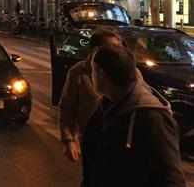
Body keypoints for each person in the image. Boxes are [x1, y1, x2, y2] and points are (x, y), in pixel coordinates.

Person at [83, 44, 185, 186]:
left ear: (101, 73)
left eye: (92, 70)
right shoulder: (105, 105)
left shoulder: (153, 117)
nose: (91, 75)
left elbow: (171, 177)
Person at [58, 27, 123, 163]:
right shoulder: (78, 72)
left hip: (121, 142)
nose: (117, 52)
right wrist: (68, 140)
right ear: (95, 49)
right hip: (92, 141)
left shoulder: (128, 72)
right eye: (111, 47)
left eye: (119, 46)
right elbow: (67, 108)